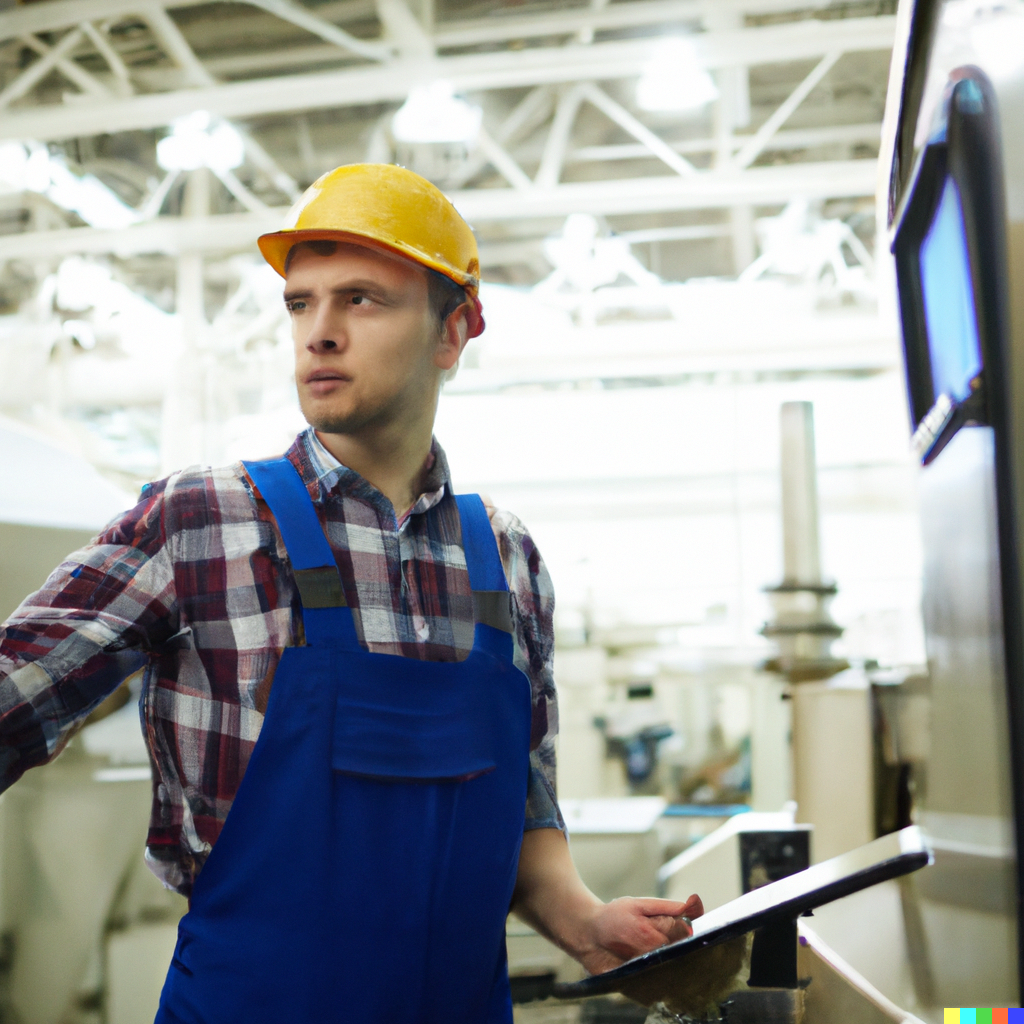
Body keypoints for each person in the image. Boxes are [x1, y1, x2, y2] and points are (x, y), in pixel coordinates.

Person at [0, 163, 702, 1023]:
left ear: (455, 332)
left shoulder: (507, 558)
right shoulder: (200, 522)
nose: (319, 333)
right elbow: (12, 700)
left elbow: (524, 803)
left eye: (362, 300)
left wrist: (587, 922)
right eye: (301, 303)